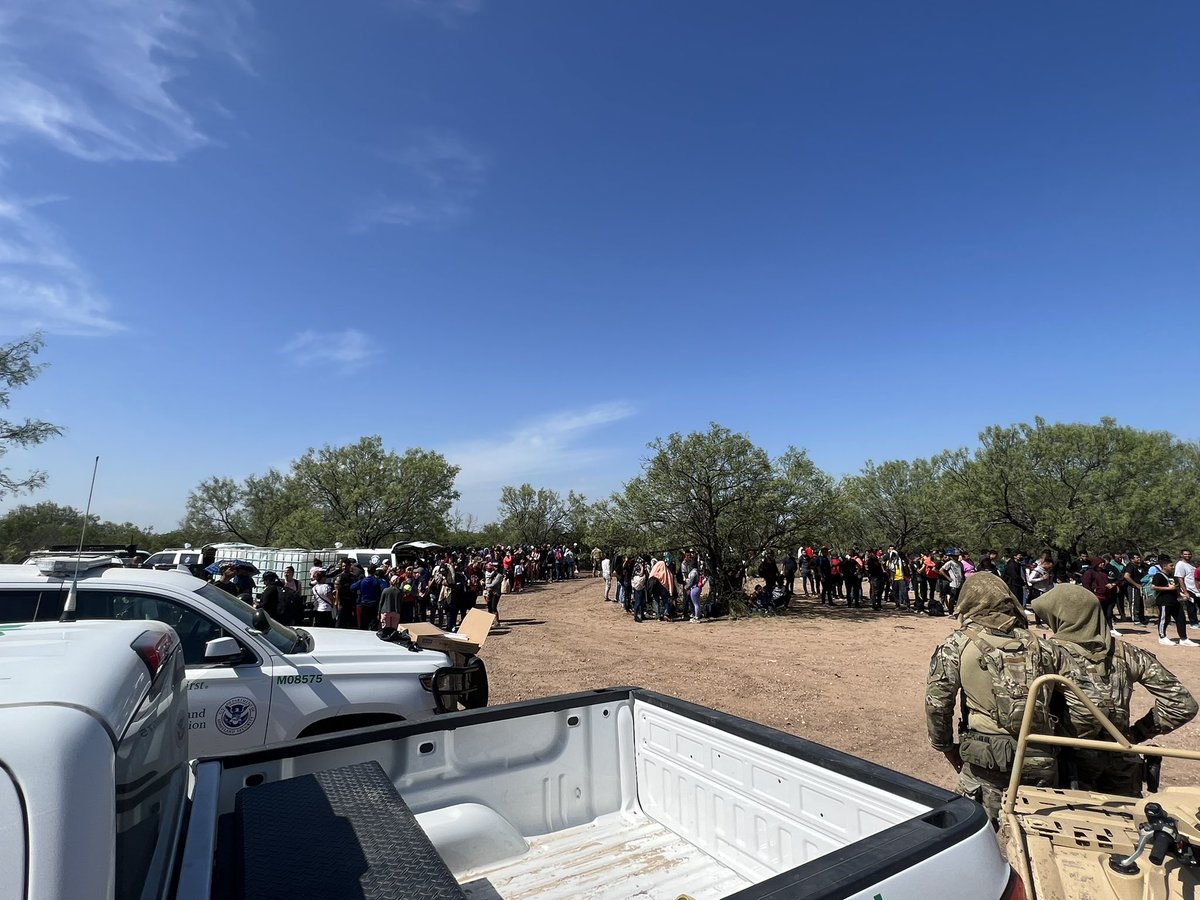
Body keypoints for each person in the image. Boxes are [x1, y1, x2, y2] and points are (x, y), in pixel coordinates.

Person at [925, 573, 1073, 824]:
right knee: (1036, 837)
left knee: (974, 833)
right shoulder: (1044, 646)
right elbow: (1071, 702)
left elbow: (937, 704)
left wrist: (946, 747)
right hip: (1040, 756)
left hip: (986, 760)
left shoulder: (957, 644)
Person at [1033, 584, 1197, 795]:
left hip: (1071, 764)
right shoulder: (1127, 652)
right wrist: (1132, 736)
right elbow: (1182, 704)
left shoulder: (1050, 654)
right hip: (1122, 761)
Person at [1149, 555, 1195, 647]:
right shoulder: (1158, 576)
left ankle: (1183, 638)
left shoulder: (1172, 577)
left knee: (1181, 619)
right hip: (1164, 601)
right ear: (1164, 566)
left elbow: (1176, 588)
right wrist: (1168, 589)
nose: (1173, 567)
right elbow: (1153, 587)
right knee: (1164, 619)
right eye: (1171, 565)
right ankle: (1162, 637)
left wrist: (1182, 594)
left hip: (1175, 601)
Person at [1082, 555, 1122, 637]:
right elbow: (1086, 584)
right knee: (1097, 614)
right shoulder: (1089, 572)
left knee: (1109, 613)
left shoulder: (1105, 572)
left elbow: (1116, 579)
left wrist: (1113, 584)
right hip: (1097, 596)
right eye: (1101, 563)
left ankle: (1110, 628)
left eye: (1103, 563)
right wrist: (1091, 593)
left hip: (1108, 595)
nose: (1102, 564)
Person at [351, 566, 385, 631]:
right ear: (374, 571)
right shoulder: (377, 581)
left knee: (364, 623)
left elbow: (352, 587)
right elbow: (383, 588)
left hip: (364, 603)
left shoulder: (362, 581)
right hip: (374, 604)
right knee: (374, 622)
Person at [1174, 549, 1198, 628]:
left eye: (1189, 554)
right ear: (1181, 555)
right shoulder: (1180, 564)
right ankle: (1193, 623)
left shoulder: (1191, 564)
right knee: (1191, 606)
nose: (1187, 556)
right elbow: (1180, 578)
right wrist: (1185, 591)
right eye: (1185, 554)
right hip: (1188, 588)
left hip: (1196, 588)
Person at [334, 558, 358, 628]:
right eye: (343, 566)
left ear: (350, 566)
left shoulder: (353, 577)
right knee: (340, 621)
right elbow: (337, 591)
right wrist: (337, 603)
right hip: (342, 602)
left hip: (351, 601)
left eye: (346, 566)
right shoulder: (339, 577)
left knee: (350, 621)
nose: (344, 568)